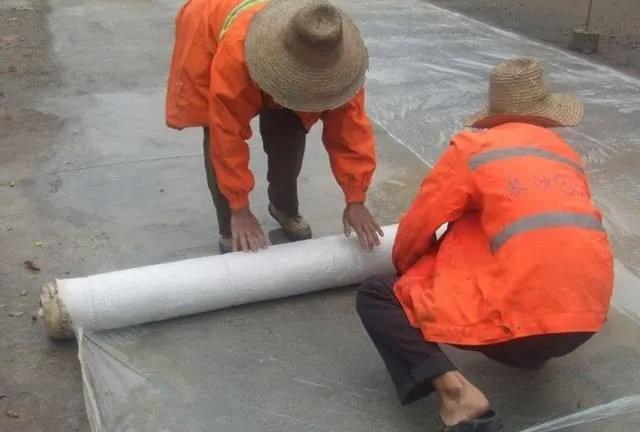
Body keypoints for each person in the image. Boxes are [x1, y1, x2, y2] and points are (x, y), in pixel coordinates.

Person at [356, 58, 614, 431]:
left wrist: (407, 275)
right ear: (546, 115)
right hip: (584, 319)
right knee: (508, 237)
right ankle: (531, 353)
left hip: (520, 326)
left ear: (494, 115)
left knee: (378, 296)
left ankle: (457, 396)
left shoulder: (475, 148)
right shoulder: (566, 156)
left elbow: (420, 225)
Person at [166, 0, 382, 253]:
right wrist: (239, 208)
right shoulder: (236, 55)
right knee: (215, 128)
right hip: (210, 23)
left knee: (291, 123)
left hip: (287, 45)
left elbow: (350, 132)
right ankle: (229, 224)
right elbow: (226, 134)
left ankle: (283, 206)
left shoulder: (339, 60)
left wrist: (356, 198)